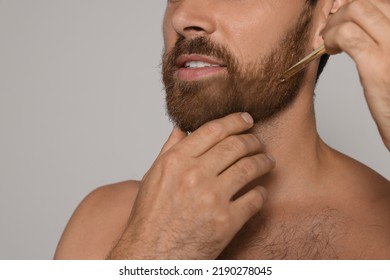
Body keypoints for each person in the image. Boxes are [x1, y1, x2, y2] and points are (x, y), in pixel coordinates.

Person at [54, 0, 390, 259]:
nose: (182, 16)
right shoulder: (104, 223)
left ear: (327, 16)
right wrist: (152, 254)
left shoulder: (380, 230)